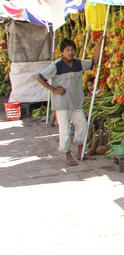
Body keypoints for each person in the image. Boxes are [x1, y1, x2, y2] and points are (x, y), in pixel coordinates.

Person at [36, 38, 102, 166]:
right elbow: (40, 77)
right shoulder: (57, 65)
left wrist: (99, 44)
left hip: (76, 102)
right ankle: (67, 155)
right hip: (62, 104)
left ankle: (80, 152)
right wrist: (53, 90)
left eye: (72, 50)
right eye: (67, 50)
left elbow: (94, 61)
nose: (70, 52)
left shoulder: (78, 63)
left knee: (82, 126)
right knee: (65, 130)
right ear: (62, 52)